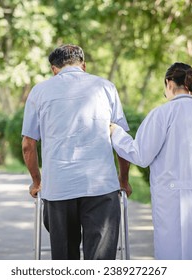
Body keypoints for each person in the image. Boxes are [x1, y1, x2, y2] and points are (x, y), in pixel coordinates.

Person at [110, 62, 192, 260]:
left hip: (174, 202)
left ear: (168, 83)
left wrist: (116, 134)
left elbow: (141, 154)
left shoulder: (162, 114)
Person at [21, 44, 131, 260]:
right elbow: (121, 140)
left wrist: (37, 182)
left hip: (59, 188)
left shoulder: (39, 91)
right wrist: (123, 180)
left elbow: (28, 144)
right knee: (100, 262)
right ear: (84, 65)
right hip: (100, 187)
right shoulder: (106, 87)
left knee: (65, 259)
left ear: (54, 69)